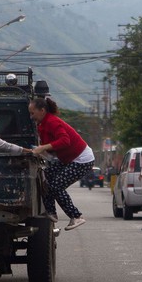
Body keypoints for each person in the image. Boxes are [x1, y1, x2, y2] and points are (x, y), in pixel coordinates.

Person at [28, 97, 94, 231]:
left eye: (32, 113)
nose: (31, 116)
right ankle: (51, 212)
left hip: (82, 159)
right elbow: (51, 149)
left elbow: (65, 141)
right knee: (45, 177)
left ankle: (76, 216)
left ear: (42, 111)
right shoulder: (42, 125)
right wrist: (40, 151)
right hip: (68, 158)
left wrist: (43, 147)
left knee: (57, 186)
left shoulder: (52, 122)